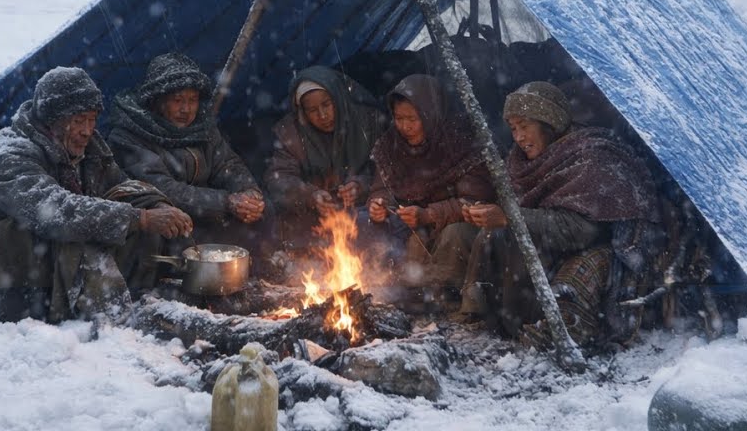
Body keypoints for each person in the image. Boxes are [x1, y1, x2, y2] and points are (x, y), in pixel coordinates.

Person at [0, 66, 193, 323]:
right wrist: (141, 217)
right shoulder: (9, 156)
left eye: (92, 119)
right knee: (57, 230)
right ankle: (48, 314)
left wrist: (157, 206)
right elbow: (56, 212)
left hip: (49, 256)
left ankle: (134, 295)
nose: (87, 130)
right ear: (53, 120)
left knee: (123, 217)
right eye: (79, 120)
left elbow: (122, 186)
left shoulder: (88, 146)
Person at [459, 81, 653, 346]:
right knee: (490, 236)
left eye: (525, 126)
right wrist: (488, 213)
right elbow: (521, 209)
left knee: (572, 278)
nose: (518, 137)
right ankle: (495, 318)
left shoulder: (589, 156)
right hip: (549, 246)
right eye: (513, 128)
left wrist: (509, 216)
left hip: (598, 253)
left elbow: (583, 232)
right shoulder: (520, 162)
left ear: (548, 122)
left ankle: (552, 330)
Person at [106, 52, 270, 259]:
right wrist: (225, 202)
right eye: (177, 100)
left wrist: (247, 192)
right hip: (166, 221)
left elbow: (227, 164)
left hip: (207, 213)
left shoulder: (202, 128)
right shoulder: (129, 136)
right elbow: (164, 189)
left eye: (192, 100)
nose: (186, 109)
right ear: (157, 101)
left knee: (263, 213)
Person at [367, 74, 495, 294]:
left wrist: (428, 215)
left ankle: (443, 295)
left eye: (413, 119)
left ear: (431, 115)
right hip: (414, 226)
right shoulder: (392, 145)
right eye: (399, 118)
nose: (404, 127)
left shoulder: (462, 143)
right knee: (366, 223)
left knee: (453, 236)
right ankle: (383, 287)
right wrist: (378, 204)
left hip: (452, 223)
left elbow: (474, 201)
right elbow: (381, 187)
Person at [264, 66, 384, 253]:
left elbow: (385, 169)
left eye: (327, 104)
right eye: (312, 110)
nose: (322, 115)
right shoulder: (291, 133)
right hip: (314, 218)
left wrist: (359, 185)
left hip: (361, 211)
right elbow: (279, 179)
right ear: (302, 111)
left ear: (338, 98)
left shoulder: (367, 122)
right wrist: (310, 196)